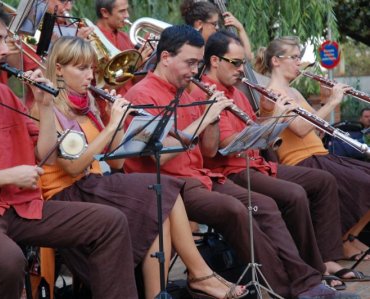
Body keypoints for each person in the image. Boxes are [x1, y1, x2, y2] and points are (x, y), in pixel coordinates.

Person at [0, 2, 139, 298]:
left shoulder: (4, 94)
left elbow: (44, 152)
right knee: (7, 259)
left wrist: (45, 106)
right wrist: (8, 175)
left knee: (110, 222)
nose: (6, 50)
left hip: (18, 207)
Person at [123, 24, 358, 299]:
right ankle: (287, 287)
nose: (193, 71)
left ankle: (306, 282)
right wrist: (204, 119)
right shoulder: (141, 95)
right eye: (189, 63)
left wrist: (215, 116)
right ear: (165, 58)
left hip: (201, 178)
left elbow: (208, 149)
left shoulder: (185, 92)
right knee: (239, 209)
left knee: (266, 205)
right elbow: (159, 155)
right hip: (169, 185)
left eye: (197, 63)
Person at [34, 36, 247, 299]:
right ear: (58, 69)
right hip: (66, 192)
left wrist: (117, 120)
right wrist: (111, 126)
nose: (90, 76)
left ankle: (162, 292)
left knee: (162, 195)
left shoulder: (87, 103)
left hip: (92, 183)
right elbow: (73, 166)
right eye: (81, 68)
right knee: (161, 192)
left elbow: (116, 161)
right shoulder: (46, 107)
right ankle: (200, 275)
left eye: (91, 68)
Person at [190, 29, 370, 289]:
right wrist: (278, 119)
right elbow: (227, 145)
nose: (242, 69)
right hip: (233, 170)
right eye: (237, 63)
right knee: (295, 194)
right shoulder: (205, 92)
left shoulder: (236, 92)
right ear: (215, 61)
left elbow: (255, 129)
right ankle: (311, 270)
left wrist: (266, 112)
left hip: (258, 164)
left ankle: (323, 261)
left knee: (321, 181)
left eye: (244, 63)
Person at [255, 35, 370, 263]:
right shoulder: (271, 94)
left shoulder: (295, 92)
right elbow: (298, 128)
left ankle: (348, 237)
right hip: (302, 161)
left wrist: (325, 98)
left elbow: (314, 132)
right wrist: (332, 103)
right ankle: (343, 240)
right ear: (276, 61)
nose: (299, 63)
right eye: (295, 57)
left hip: (320, 155)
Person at [180, 0, 253, 60]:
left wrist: (240, 29)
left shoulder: (213, 46)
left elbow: (245, 59)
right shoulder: (186, 47)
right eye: (214, 24)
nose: (217, 27)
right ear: (199, 24)